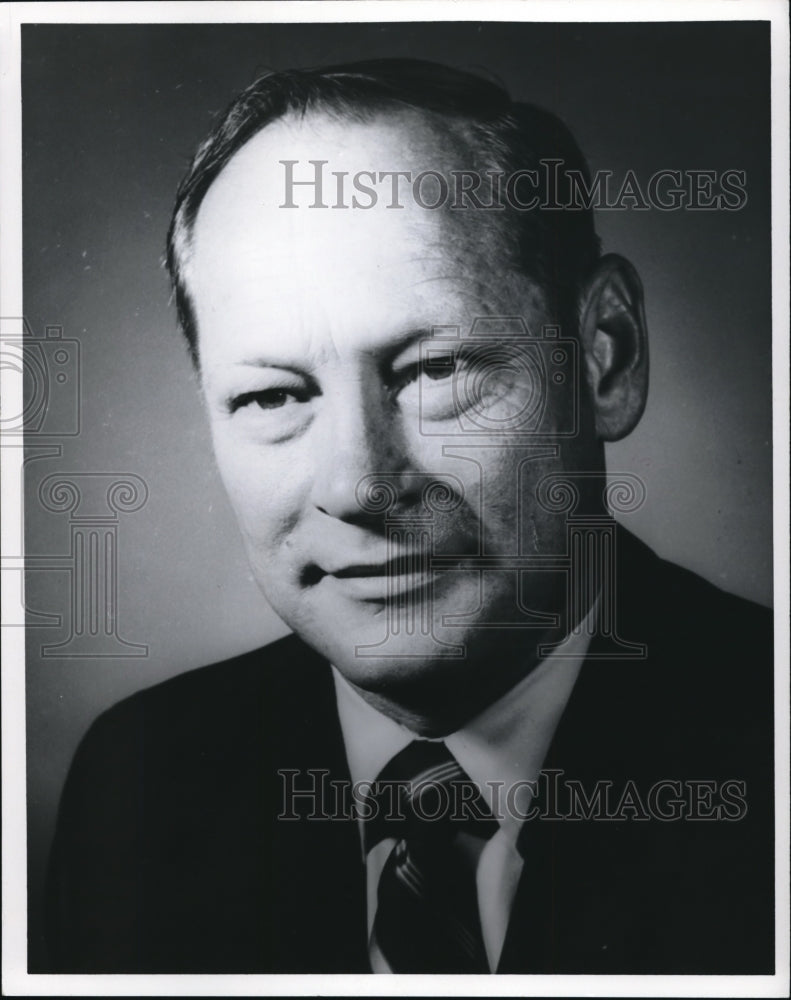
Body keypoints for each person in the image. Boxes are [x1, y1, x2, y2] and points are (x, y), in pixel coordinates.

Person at [44, 59, 773, 975]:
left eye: (435, 371)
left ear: (604, 358)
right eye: (273, 396)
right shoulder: (141, 778)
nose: (357, 485)